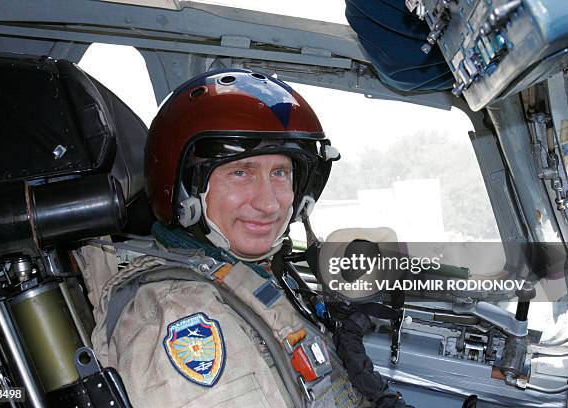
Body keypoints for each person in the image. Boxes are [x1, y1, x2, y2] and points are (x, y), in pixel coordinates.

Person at [77, 69, 409, 408]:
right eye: (240, 173)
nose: (268, 203)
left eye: (280, 173)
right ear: (184, 189)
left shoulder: (252, 270)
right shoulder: (179, 317)